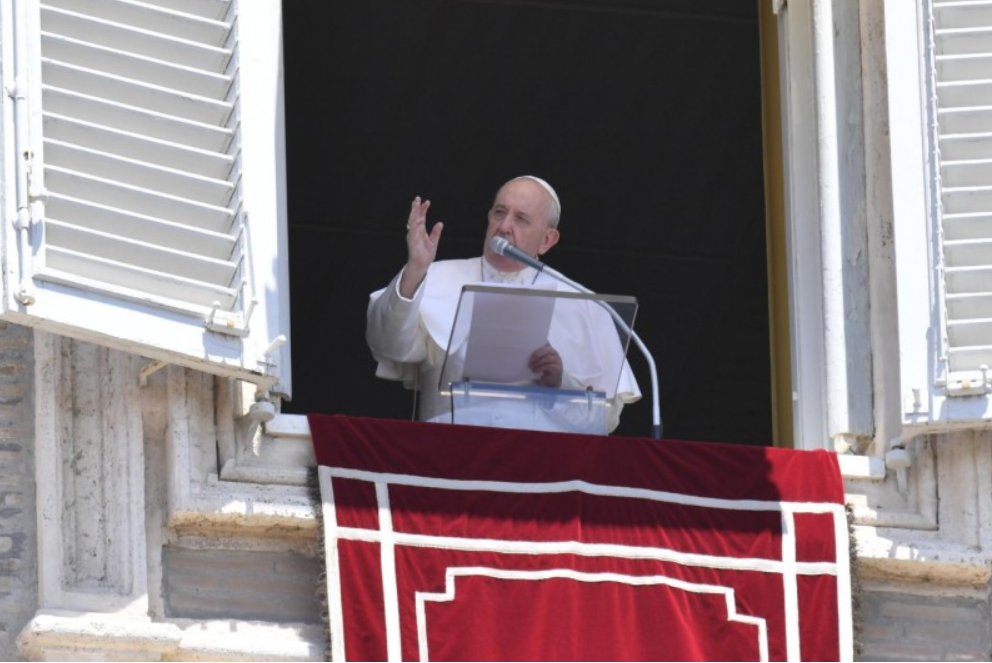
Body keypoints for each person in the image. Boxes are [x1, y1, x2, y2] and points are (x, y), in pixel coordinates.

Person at [366, 175, 641, 433]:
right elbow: (388, 345)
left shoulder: (584, 305)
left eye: (521, 219)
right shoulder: (433, 277)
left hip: (538, 461)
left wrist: (558, 385)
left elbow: (606, 419)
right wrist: (415, 269)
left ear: (547, 240)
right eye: (499, 212)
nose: (504, 226)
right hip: (448, 452)